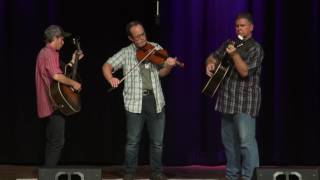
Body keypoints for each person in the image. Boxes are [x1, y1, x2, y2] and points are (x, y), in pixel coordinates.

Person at [102, 20, 176, 180]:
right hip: (134, 103)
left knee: (157, 143)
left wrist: (169, 66)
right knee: (132, 142)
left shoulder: (155, 48)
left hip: (155, 101)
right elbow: (107, 65)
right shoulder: (126, 52)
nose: (142, 39)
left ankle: (156, 173)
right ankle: (129, 174)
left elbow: (161, 73)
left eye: (143, 34)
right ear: (131, 38)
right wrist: (111, 78)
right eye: (137, 37)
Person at [205, 13, 263, 180]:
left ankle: (250, 177)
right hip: (226, 101)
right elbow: (213, 56)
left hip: (245, 102)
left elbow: (244, 71)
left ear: (251, 27)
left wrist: (235, 54)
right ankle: (232, 175)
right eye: (237, 26)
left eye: (242, 25)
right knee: (230, 145)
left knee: (246, 143)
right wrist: (209, 63)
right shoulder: (229, 43)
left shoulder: (255, 48)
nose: (239, 28)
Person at [35, 25, 84, 167]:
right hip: (54, 103)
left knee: (53, 141)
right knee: (57, 142)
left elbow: (60, 71)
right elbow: (57, 76)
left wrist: (74, 61)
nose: (63, 42)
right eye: (62, 39)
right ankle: (48, 175)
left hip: (50, 103)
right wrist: (74, 84)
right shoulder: (50, 53)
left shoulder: (45, 53)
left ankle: (47, 173)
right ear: (55, 38)